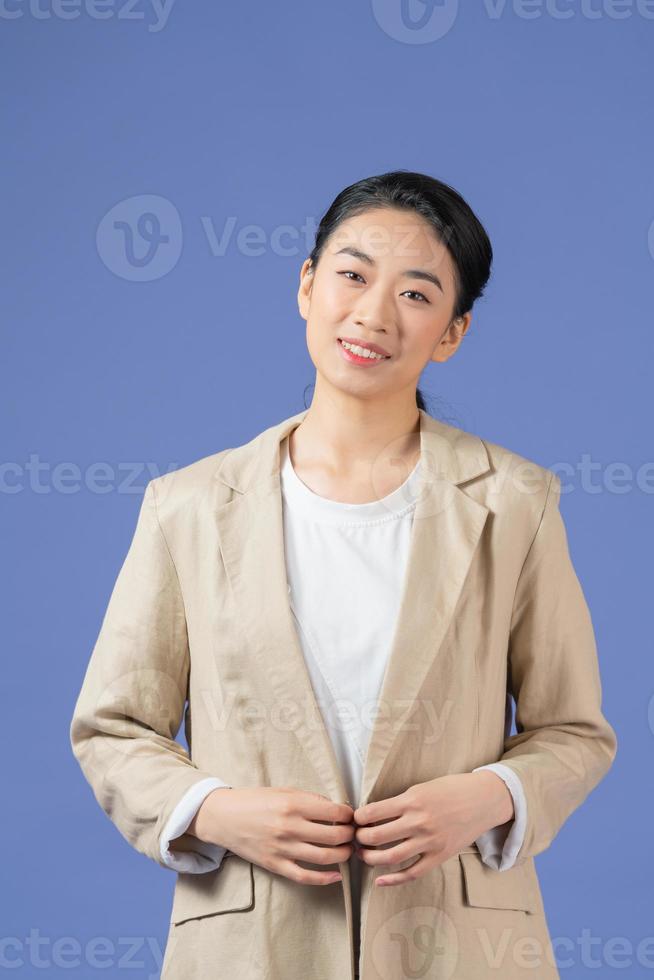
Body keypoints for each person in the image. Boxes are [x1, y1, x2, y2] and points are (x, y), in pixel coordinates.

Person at [70, 171, 617, 980]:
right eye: (353, 275)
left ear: (452, 333)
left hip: (461, 945)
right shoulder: (185, 506)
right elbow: (114, 728)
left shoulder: (516, 503)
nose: (373, 313)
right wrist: (216, 811)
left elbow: (573, 732)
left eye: (417, 294)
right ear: (306, 285)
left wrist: (489, 795)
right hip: (254, 941)